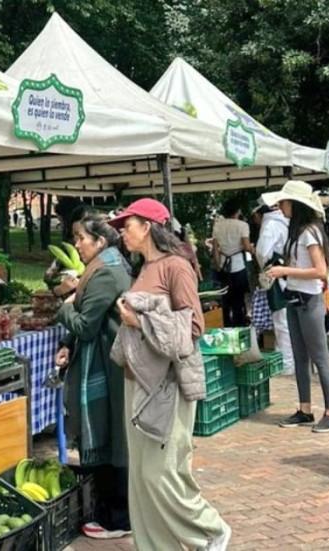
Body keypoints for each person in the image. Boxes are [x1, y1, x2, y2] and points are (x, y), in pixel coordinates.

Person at [108, 198, 230, 550]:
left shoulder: (176, 266)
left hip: (167, 385)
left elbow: (193, 326)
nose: (122, 234)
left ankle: (210, 530)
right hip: (137, 380)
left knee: (161, 474)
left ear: (147, 226)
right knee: (141, 478)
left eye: (126, 226)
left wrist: (139, 320)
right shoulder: (144, 268)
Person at [53, 214, 132, 534]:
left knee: (108, 437)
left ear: (100, 242)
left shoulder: (105, 274)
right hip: (101, 361)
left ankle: (116, 517)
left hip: (104, 367)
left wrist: (65, 303)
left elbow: (86, 324)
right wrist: (67, 343)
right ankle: (111, 512)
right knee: (109, 435)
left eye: (81, 238)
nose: (76, 244)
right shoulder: (104, 268)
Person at [263, 181, 329, 433]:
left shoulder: (308, 232)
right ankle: (305, 409)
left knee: (319, 357)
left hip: (309, 300)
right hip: (295, 298)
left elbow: (320, 271)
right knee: (300, 357)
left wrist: (284, 270)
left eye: (284, 202)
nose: (280, 206)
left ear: (295, 205)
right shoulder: (297, 232)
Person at [255, 202, 295, 376]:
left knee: (282, 321)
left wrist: (264, 267)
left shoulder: (270, 225)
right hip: (292, 274)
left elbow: (262, 252)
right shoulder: (290, 222)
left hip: (277, 275)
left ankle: (286, 364)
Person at [212, 198, 253, 327]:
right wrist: (253, 248)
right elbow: (246, 246)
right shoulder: (242, 225)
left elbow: (215, 248)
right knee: (239, 299)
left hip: (224, 264)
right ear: (238, 211)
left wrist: (218, 265)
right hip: (238, 264)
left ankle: (227, 325)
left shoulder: (218, 225)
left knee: (225, 299)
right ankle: (239, 325)